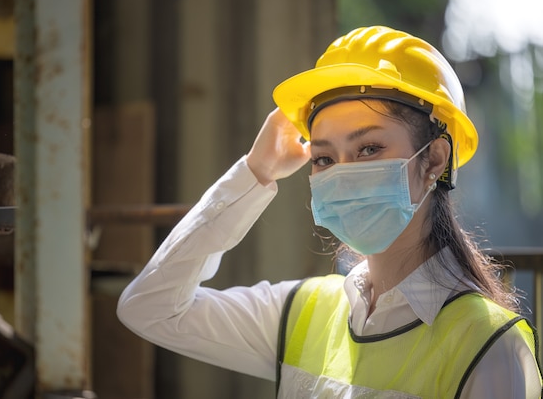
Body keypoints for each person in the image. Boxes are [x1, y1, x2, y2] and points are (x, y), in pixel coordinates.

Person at [117, 26, 543, 398]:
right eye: (323, 159)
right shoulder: (300, 313)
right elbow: (149, 308)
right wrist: (256, 171)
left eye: (369, 149)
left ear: (433, 160)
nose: (342, 175)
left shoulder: (490, 344)